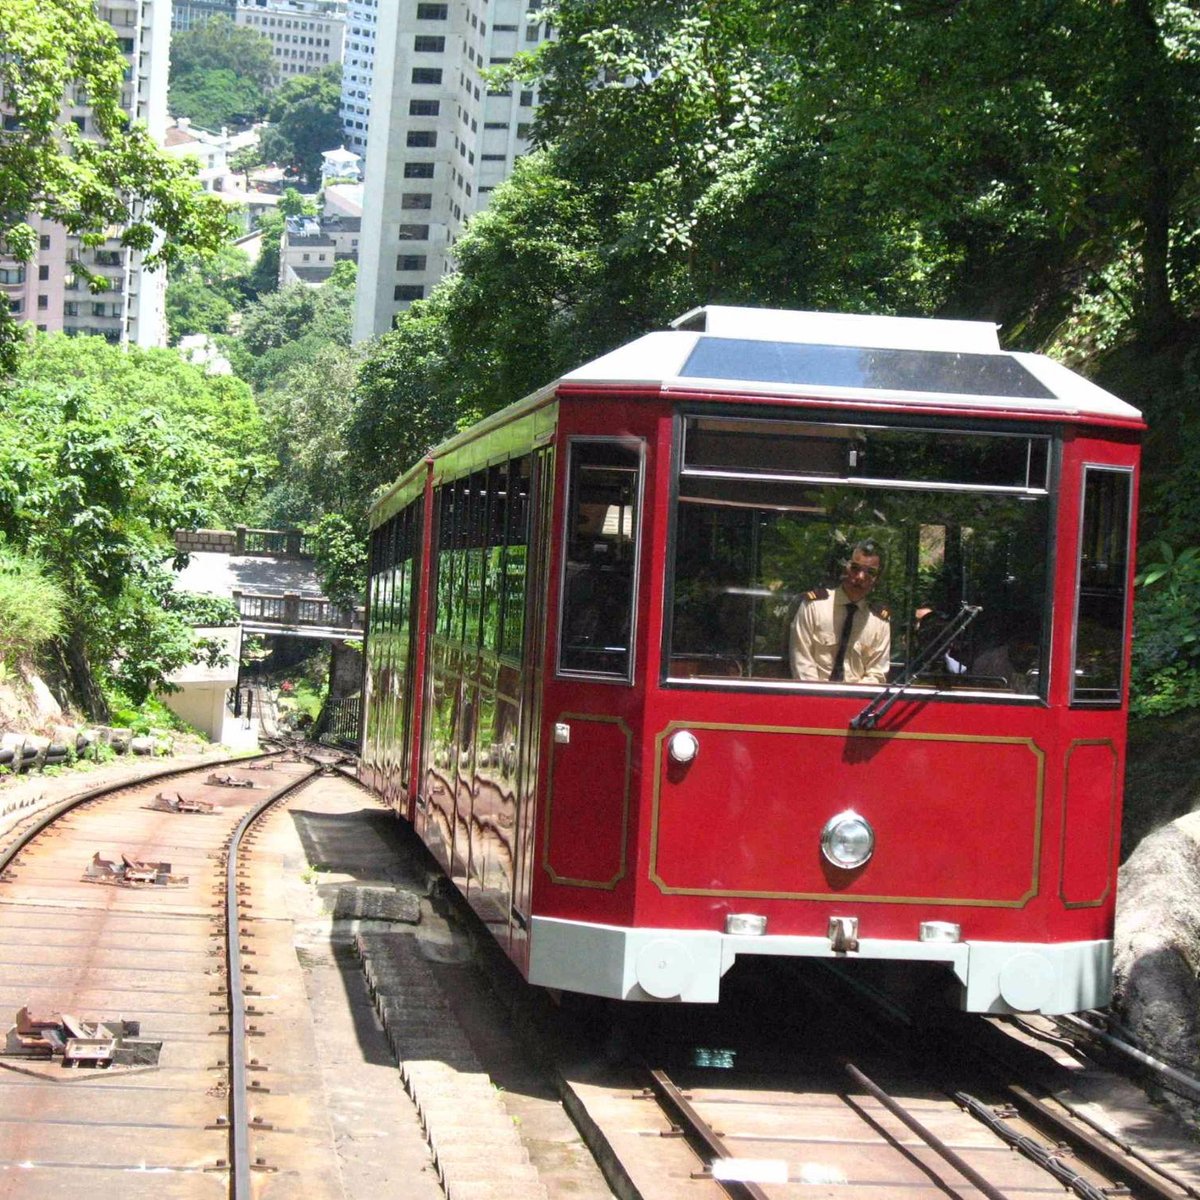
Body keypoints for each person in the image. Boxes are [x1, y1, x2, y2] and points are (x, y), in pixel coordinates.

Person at [790, 540, 891, 684]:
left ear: (877, 579)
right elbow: (802, 662)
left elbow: (877, 674)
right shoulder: (814, 607)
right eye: (855, 568)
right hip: (814, 697)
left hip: (857, 703)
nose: (860, 577)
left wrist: (850, 702)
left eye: (871, 572)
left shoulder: (879, 621)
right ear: (845, 569)